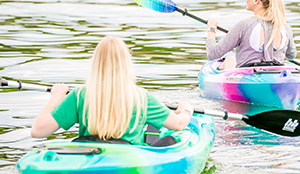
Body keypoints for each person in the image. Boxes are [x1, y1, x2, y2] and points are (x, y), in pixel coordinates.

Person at [31, 36, 194, 145]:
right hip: (128, 162)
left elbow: (37, 131)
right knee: (170, 140)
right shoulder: (141, 98)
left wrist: (55, 99)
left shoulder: (79, 96)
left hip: (89, 156)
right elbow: (178, 124)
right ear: (126, 64)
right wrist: (186, 110)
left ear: (96, 63)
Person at [206, 0, 296, 70]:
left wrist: (211, 29)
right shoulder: (285, 27)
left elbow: (213, 54)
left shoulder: (244, 25)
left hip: (247, 79)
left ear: (256, 0)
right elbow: (291, 55)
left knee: (229, 57)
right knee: (230, 57)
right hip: (275, 77)